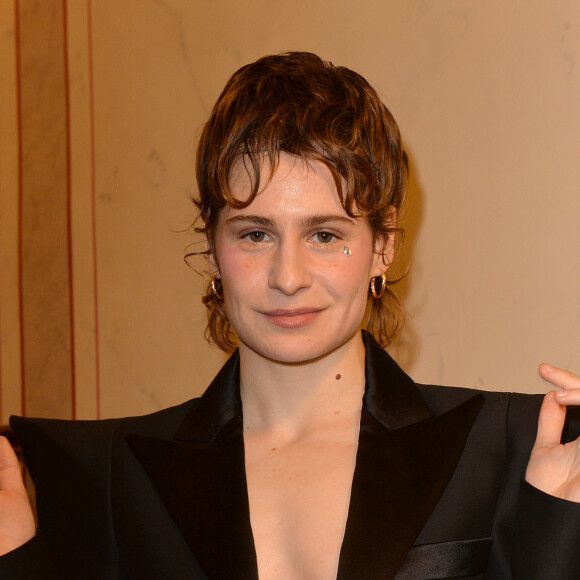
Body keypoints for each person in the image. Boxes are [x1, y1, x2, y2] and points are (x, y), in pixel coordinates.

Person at [0, 51, 579, 580]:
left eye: (325, 234)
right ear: (211, 247)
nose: (288, 276)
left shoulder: (516, 446)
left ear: (384, 245)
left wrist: (560, 534)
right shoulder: (103, 474)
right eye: (255, 234)